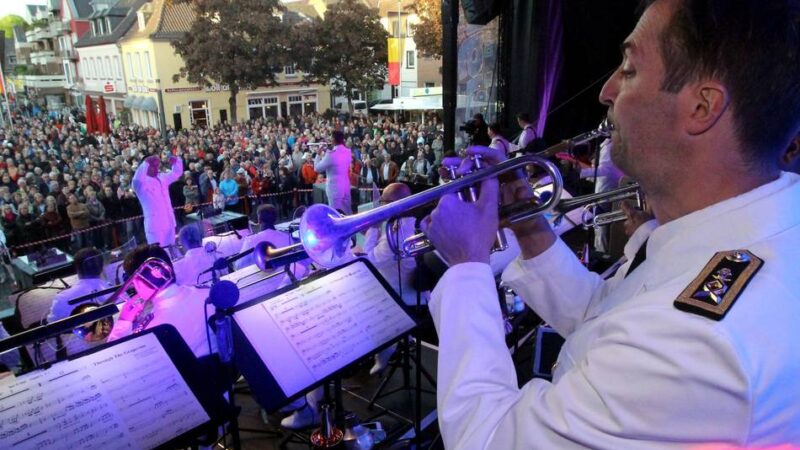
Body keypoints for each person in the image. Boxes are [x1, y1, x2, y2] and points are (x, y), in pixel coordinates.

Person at [421, 0, 800, 447]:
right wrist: (528, 224)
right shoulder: (731, 240)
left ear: (702, 107)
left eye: (629, 68)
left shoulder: (697, 340)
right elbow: (608, 316)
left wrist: (467, 266)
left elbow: (488, 438)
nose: (606, 90)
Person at [107, 244, 214, 358]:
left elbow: (114, 357)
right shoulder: (207, 293)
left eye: (132, 282)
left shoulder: (150, 328)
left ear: (138, 281)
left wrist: (124, 321)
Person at [47, 247, 111, 323]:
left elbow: (53, 325)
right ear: (101, 267)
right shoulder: (118, 292)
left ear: (77, 269)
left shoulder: (62, 298)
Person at [132, 154, 183, 247]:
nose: (156, 168)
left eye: (157, 165)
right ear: (145, 167)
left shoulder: (162, 177)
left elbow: (176, 173)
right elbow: (136, 181)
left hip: (169, 221)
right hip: (155, 225)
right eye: (153, 166)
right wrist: (146, 162)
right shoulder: (141, 184)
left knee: (172, 249)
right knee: (158, 252)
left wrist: (176, 162)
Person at [233, 204, 292, 270]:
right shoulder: (287, 237)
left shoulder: (250, 240)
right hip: (285, 277)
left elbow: (239, 266)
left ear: (259, 220)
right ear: (275, 219)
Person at [314, 131, 353, 214]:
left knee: (335, 213)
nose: (330, 139)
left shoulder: (331, 154)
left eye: (331, 138)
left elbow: (317, 168)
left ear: (334, 140)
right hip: (345, 185)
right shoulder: (348, 151)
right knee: (347, 211)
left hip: (334, 188)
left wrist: (318, 154)